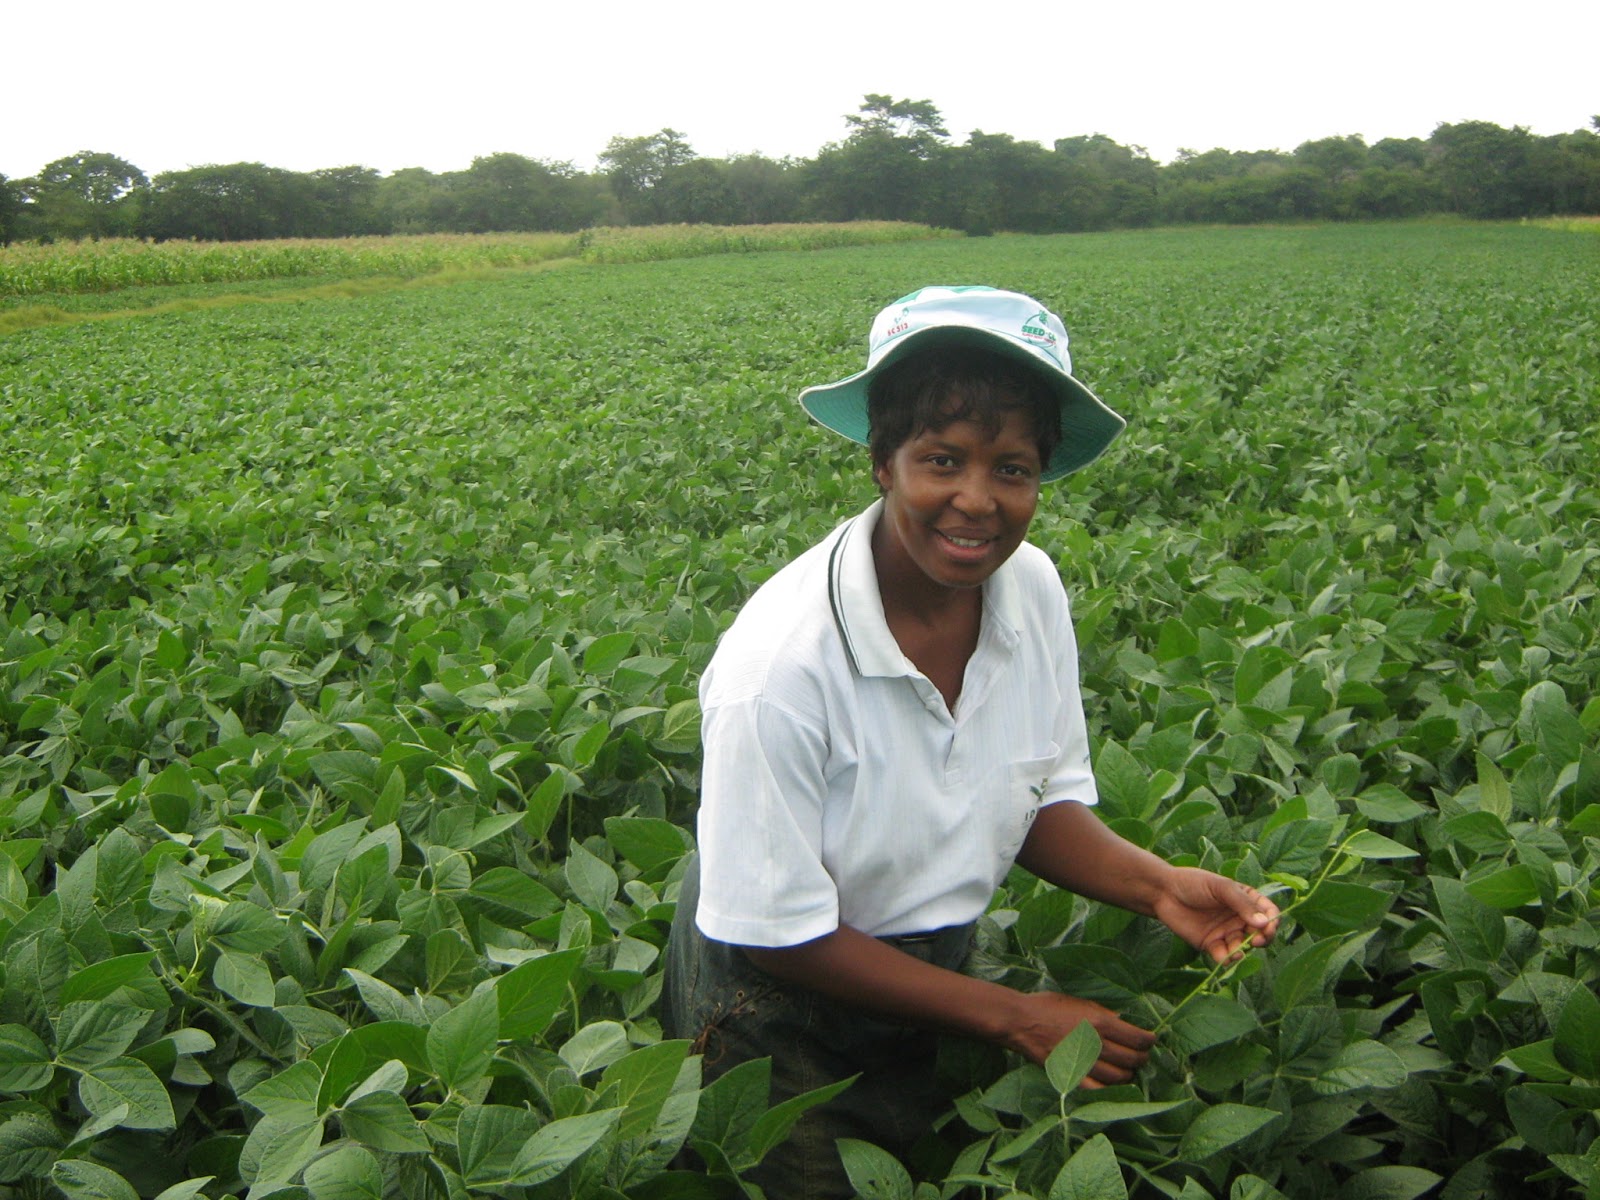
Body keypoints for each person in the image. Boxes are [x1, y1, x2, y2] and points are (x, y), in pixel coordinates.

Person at [662, 286, 1279, 1197]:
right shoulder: (781, 668)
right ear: (881, 461)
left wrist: (1159, 888)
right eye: (941, 459)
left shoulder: (1028, 589)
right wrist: (1014, 1017)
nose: (978, 502)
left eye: (1013, 469)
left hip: (934, 971)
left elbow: (1026, 799)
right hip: (777, 1006)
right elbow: (776, 934)